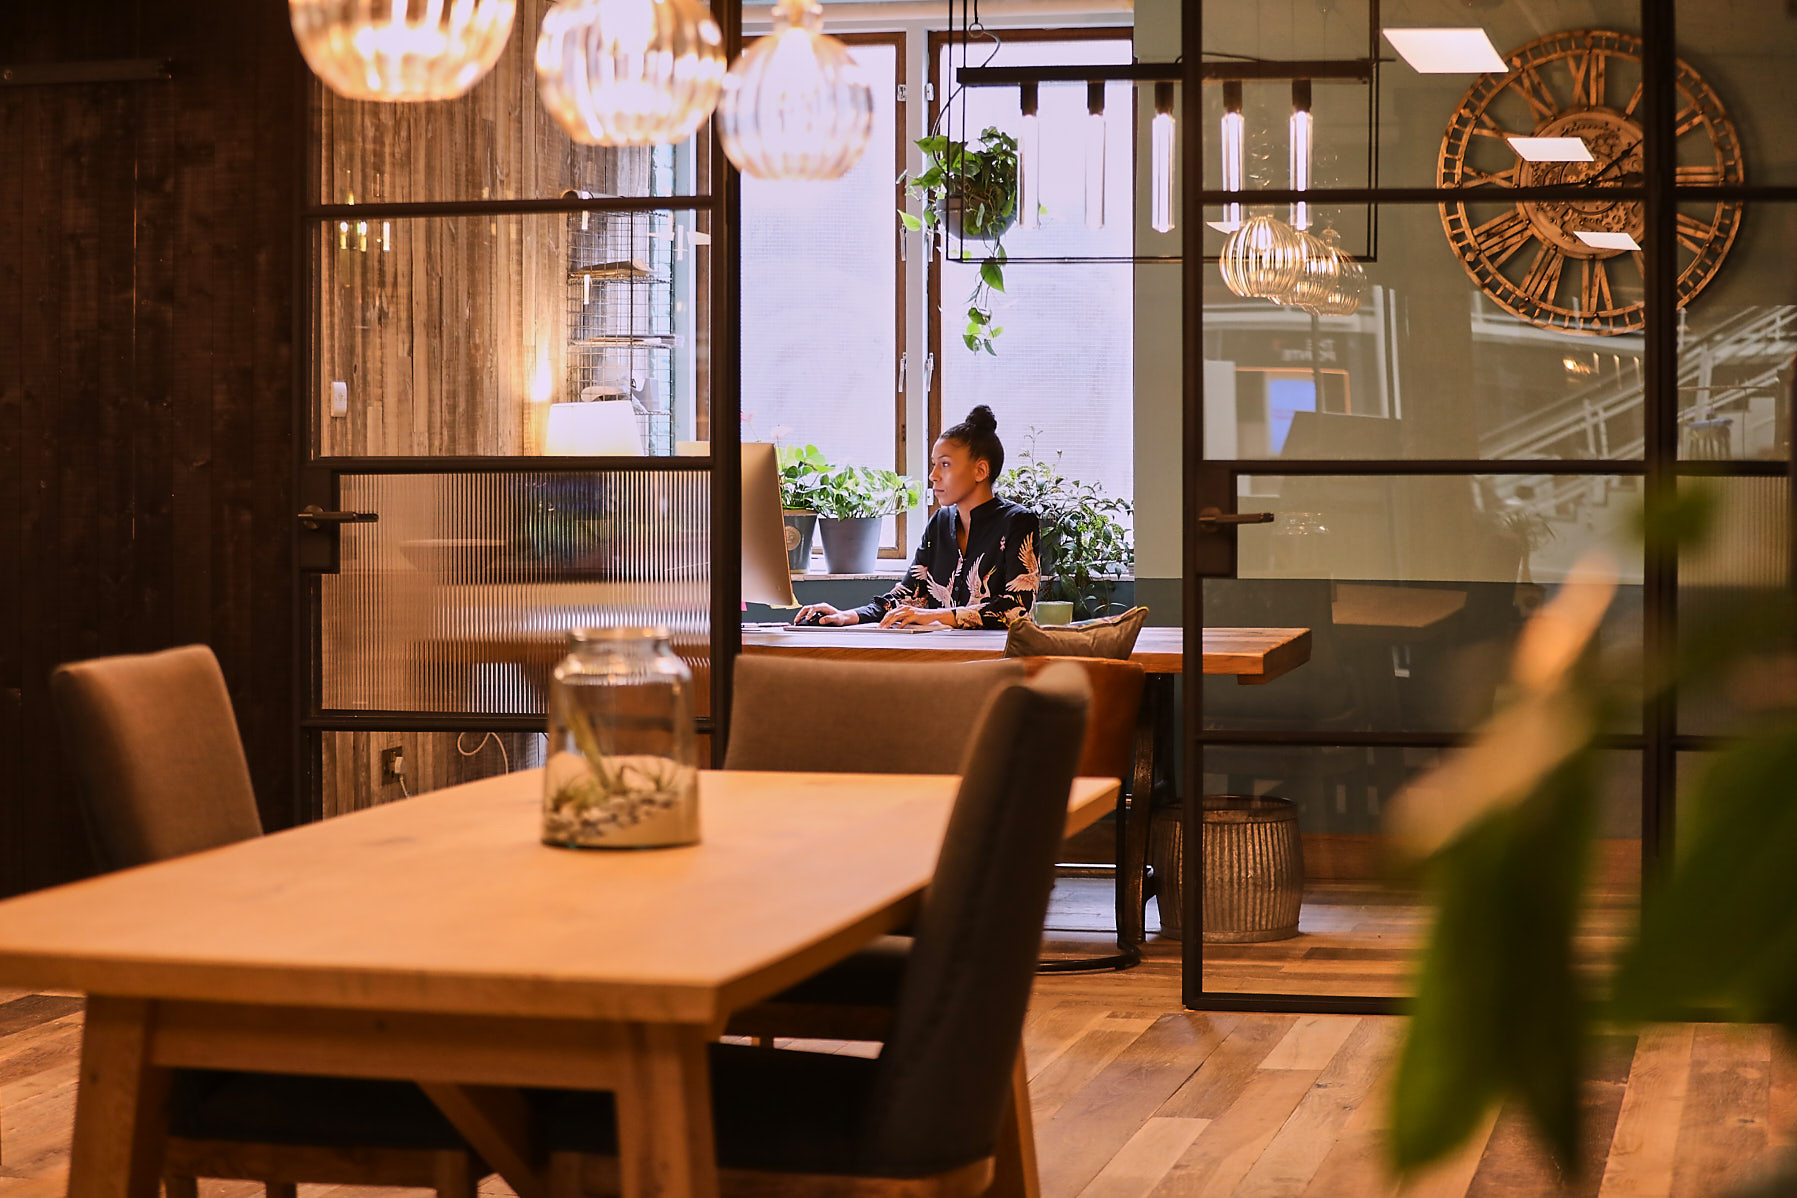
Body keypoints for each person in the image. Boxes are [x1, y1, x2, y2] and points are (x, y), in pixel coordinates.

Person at [796, 406, 1041, 629]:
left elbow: (1016, 610)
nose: (933, 475)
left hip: (993, 659)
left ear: (980, 471)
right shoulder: (940, 522)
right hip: (935, 653)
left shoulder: (1018, 523)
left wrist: (935, 616)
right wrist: (848, 616)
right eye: (934, 465)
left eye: (944, 465)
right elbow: (909, 594)